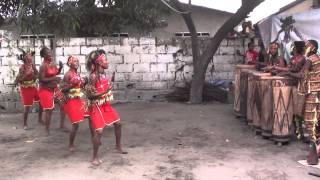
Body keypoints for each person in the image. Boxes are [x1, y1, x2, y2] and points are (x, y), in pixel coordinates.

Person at [85, 49, 127, 166]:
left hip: (105, 105)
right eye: (105, 60)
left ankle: (118, 147)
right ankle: (94, 157)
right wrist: (105, 92)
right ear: (98, 63)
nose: (107, 62)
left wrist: (110, 84)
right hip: (96, 106)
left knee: (118, 124)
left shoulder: (102, 75)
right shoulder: (93, 76)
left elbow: (104, 88)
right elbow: (90, 95)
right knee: (98, 131)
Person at [285, 40, 320, 165]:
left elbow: (301, 75)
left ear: (313, 47)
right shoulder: (317, 58)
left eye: (307, 46)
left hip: (313, 93)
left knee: (310, 120)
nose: (305, 47)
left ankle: (313, 149)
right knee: (317, 121)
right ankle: (317, 148)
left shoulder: (310, 59)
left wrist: (288, 73)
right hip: (317, 92)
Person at [276, 41, 306, 140]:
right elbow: (288, 69)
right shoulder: (293, 58)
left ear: (297, 48)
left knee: (298, 111)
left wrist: (286, 73)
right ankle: (295, 132)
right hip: (293, 86)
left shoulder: (302, 59)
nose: (291, 48)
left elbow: (295, 72)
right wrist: (278, 70)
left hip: (299, 87)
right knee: (292, 110)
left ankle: (300, 133)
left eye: (293, 46)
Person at [60, 56, 87, 152]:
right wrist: (71, 84)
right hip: (70, 101)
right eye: (75, 61)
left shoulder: (77, 73)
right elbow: (62, 89)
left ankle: (96, 137)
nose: (77, 63)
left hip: (78, 99)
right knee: (75, 124)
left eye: (77, 61)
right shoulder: (67, 75)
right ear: (70, 63)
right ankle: (71, 144)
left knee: (91, 115)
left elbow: (80, 87)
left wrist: (84, 82)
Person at [38, 47, 65, 135]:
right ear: (44, 56)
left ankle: (62, 126)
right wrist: (54, 78)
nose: (50, 54)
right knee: (49, 110)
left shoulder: (52, 63)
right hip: (45, 90)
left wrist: (60, 68)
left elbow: (55, 72)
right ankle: (47, 129)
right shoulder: (43, 66)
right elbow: (41, 79)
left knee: (63, 104)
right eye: (48, 53)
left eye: (50, 52)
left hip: (54, 89)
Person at [14, 50, 43, 129]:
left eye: (31, 56)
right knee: (27, 107)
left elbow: (37, 73)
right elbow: (19, 79)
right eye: (29, 56)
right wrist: (26, 74)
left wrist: (35, 76)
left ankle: (40, 119)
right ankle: (25, 124)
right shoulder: (22, 67)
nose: (31, 57)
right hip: (25, 88)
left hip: (33, 86)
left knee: (41, 101)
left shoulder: (32, 65)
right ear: (25, 58)